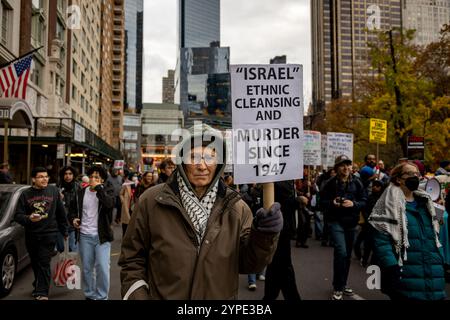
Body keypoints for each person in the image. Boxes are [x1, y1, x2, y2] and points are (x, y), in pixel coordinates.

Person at [119, 124, 281, 299]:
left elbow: (250, 264)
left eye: (210, 157)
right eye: (194, 156)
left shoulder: (237, 207)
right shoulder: (151, 201)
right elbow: (132, 261)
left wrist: (264, 235)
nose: (202, 166)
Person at [369, 162, 446, 300]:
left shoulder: (426, 202)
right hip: (405, 274)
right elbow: (381, 240)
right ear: (398, 179)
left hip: (433, 276)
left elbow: (437, 233)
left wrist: (441, 260)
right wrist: (392, 266)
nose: (415, 177)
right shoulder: (387, 203)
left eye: (417, 174)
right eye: (410, 174)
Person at [14, 167, 68, 300]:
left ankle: (42, 292)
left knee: (44, 262)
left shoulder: (53, 191)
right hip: (32, 234)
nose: (45, 179)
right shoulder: (25, 194)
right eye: (41, 177)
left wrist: (64, 230)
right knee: (35, 262)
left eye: (46, 176)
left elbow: (61, 213)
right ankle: (38, 284)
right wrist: (29, 218)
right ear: (33, 179)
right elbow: (18, 215)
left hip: (49, 233)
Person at [321, 155, 367, 300]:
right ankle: (338, 288)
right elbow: (320, 202)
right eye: (342, 165)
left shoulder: (357, 183)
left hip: (351, 223)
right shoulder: (330, 183)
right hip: (336, 222)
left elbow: (364, 200)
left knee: (346, 255)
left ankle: (342, 283)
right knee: (341, 252)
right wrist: (332, 203)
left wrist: (354, 204)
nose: (346, 168)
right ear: (336, 168)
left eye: (348, 165)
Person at [68, 166, 115, 300]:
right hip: (84, 236)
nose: (93, 180)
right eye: (92, 177)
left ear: (102, 180)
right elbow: (71, 210)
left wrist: (99, 189)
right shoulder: (81, 193)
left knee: (102, 268)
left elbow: (109, 205)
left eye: (97, 177)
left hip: (102, 236)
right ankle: (89, 295)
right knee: (87, 269)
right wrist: (73, 219)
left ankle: (101, 296)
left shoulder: (107, 191)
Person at [263, 180, 302, 301]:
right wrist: (298, 201)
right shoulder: (280, 180)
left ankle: (269, 296)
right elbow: (282, 203)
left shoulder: (286, 179)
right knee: (284, 265)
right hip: (280, 229)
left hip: (283, 228)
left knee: (276, 265)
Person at [56, 166, 80, 252]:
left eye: (70, 174)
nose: (68, 176)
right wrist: (58, 199)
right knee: (61, 248)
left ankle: (71, 265)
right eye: (65, 174)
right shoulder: (57, 187)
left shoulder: (78, 187)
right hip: (60, 223)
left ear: (73, 175)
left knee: (72, 250)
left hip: (73, 223)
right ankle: (65, 265)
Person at [119, 172, 137, 236]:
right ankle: (124, 237)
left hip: (134, 206)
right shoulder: (126, 184)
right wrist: (123, 201)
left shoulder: (137, 184)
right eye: (134, 176)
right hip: (127, 205)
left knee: (133, 223)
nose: (135, 177)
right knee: (126, 223)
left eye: (136, 176)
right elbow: (121, 194)